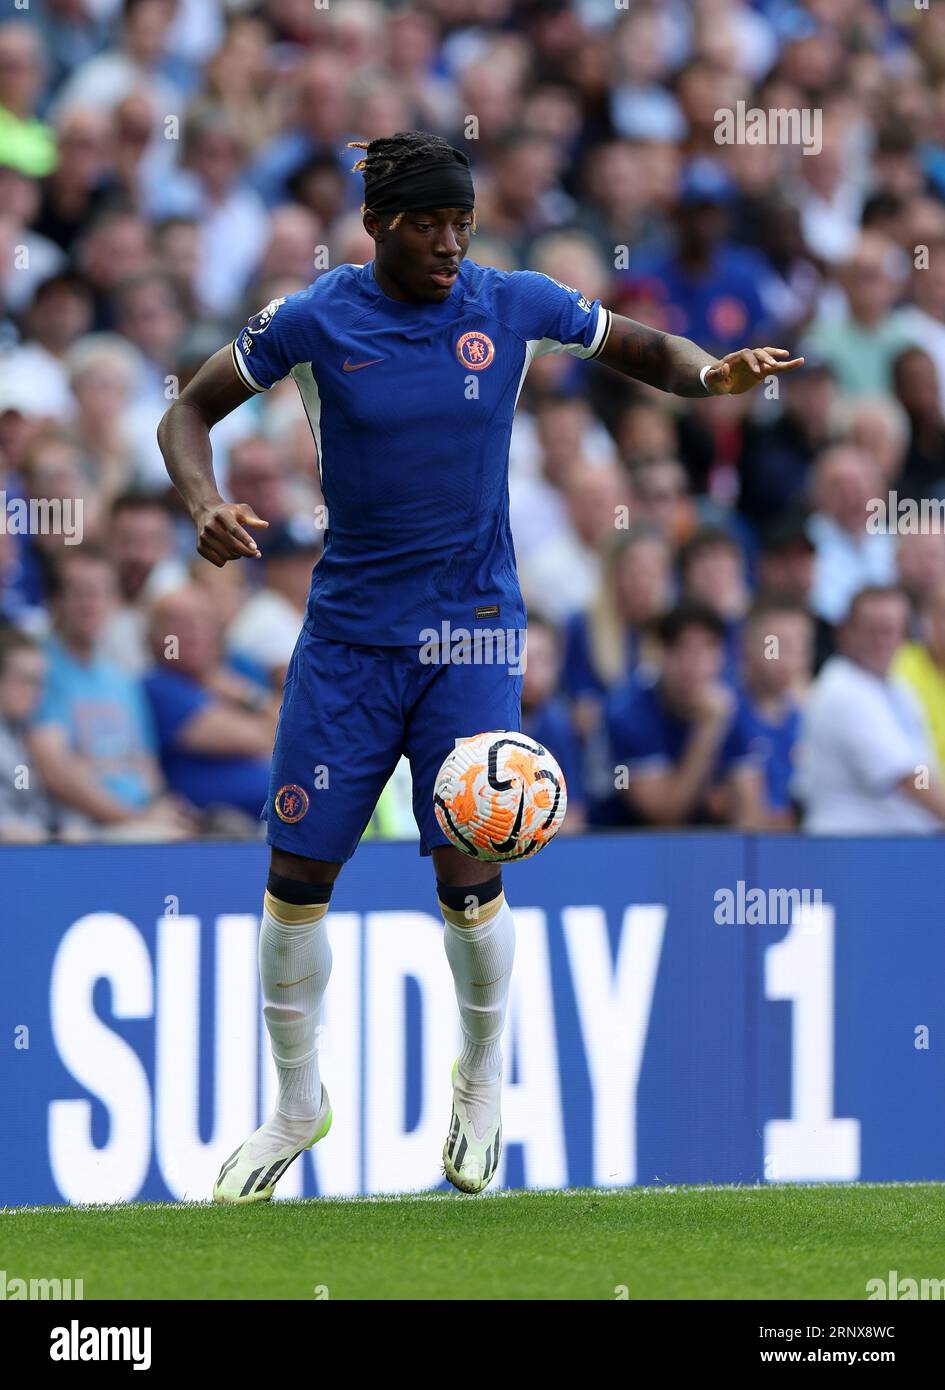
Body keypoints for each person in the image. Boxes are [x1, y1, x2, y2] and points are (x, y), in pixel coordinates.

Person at [156, 129, 802, 1202]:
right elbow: (187, 410)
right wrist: (202, 502)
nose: (451, 240)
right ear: (377, 227)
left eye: (461, 220)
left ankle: (483, 1077)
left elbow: (638, 348)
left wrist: (709, 372)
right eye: (427, 223)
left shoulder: (511, 302)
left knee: (472, 872)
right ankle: (295, 1105)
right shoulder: (317, 317)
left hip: (473, 637)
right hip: (350, 643)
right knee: (294, 885)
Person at [794, 586, 945, 834]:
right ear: (845, 632)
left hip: (892, 850)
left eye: (891, 631)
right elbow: (910, 780)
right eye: (872, 631)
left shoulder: (897, 688)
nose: (882, 641)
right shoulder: (842, 689)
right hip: (850, 852)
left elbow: (921, 772)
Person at [602, 602, 764, 829]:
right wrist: (707, 731)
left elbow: (751, 817)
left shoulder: (733, 705)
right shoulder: (628, 713)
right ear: (661, 655)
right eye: (682, 649)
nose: (694, 664)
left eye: (707, 649)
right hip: (623, 845)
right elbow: (664, 817)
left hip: (707, 847)